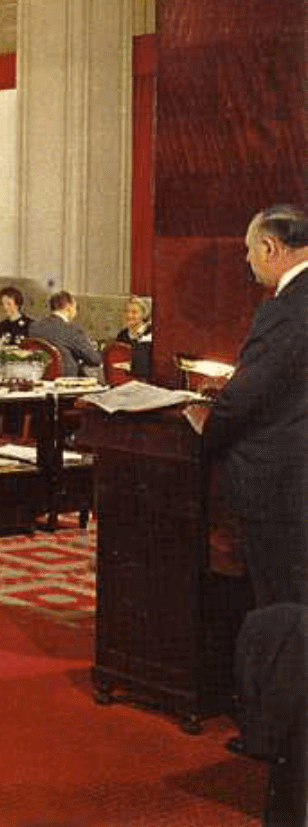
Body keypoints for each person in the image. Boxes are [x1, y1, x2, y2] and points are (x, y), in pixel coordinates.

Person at [186, 205, 308, 609]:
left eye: (248, 249)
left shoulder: (285, 309)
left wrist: (206, 430)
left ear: (270, 246)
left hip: (280, 483)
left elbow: (244, 398)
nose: (246, 260)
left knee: (281, 604)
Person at [29, 291, 102, 379]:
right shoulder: (72, 329)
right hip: (67, 381)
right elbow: (94, 359)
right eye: (75, 307)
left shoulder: (34, 327)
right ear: (69, 307)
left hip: (40, 378)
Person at [115, 295, 153, 378]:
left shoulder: (150, 334)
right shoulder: (122, 334)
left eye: (134, 312)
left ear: (144, 315)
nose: (129, 315)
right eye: (126, 311)